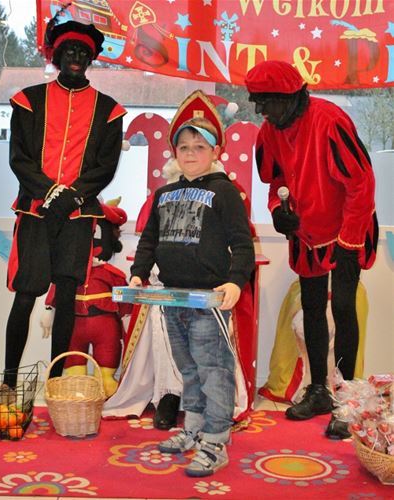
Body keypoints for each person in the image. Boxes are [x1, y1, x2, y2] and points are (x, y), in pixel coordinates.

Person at [245, 60, 378, 439]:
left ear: (290, 96)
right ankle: (319, 389)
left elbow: (361, 184)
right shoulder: (270, 131)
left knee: (344, 308)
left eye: (266, 102)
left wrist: (350, 240)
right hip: (307, 233)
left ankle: (348, 400)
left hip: (347, 226)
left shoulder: (330, 121)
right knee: (313, 308)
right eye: (257, 102)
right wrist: (277, 211)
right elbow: (276, 181)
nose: (261, 111)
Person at [129, 90, 255, 477]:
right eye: (183, 147)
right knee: (189, 369)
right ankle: (195, 428)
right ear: (174, 152)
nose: (190, 153)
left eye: (199, 147)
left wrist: (235, 281)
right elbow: (149, 239)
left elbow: (242, 243)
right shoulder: (164, 194)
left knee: (214, 370)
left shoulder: (224, 191)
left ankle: (216, 440)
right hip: (172, 299)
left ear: (215, 151)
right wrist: (139, 271)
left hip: (207, 300)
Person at [1, 17, 126, 392]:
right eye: (69, 49)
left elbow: (105, 166)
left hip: (78, 213)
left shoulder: (109, 110)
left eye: (83, 52)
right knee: (26, 294)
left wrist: (72, 195)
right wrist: (50, 192)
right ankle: (8, 383)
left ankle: (56, 384)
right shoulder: (28, 101)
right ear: (55, 56)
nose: (75, 56)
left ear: (91, 59)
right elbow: (19, 158)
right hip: (35, 210)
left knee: (67, 297)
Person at [40, 200, 132, 397]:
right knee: (73, 363)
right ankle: (77, 387)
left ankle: (106, 381)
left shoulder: (113, 274)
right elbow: (58, 289)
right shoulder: (69, 271)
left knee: (107, 357)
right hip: (74, 325)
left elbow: (124, 299)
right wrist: (49, 309)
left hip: (105, 327)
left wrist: (127, 317)